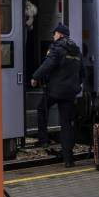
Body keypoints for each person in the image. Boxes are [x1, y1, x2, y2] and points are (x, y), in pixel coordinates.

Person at [31, 23, 84, 168]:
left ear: (59, 34)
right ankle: (69, 160)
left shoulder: (56, 48)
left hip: (55, 91)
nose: (53, 36)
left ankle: (43, 140)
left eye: (54, 34)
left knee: (42, 108)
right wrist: (75, 85)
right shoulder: (76, 50)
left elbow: (47, 65)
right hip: (70, 92)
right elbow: (83, 72)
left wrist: (35, 77)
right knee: (66, 124)